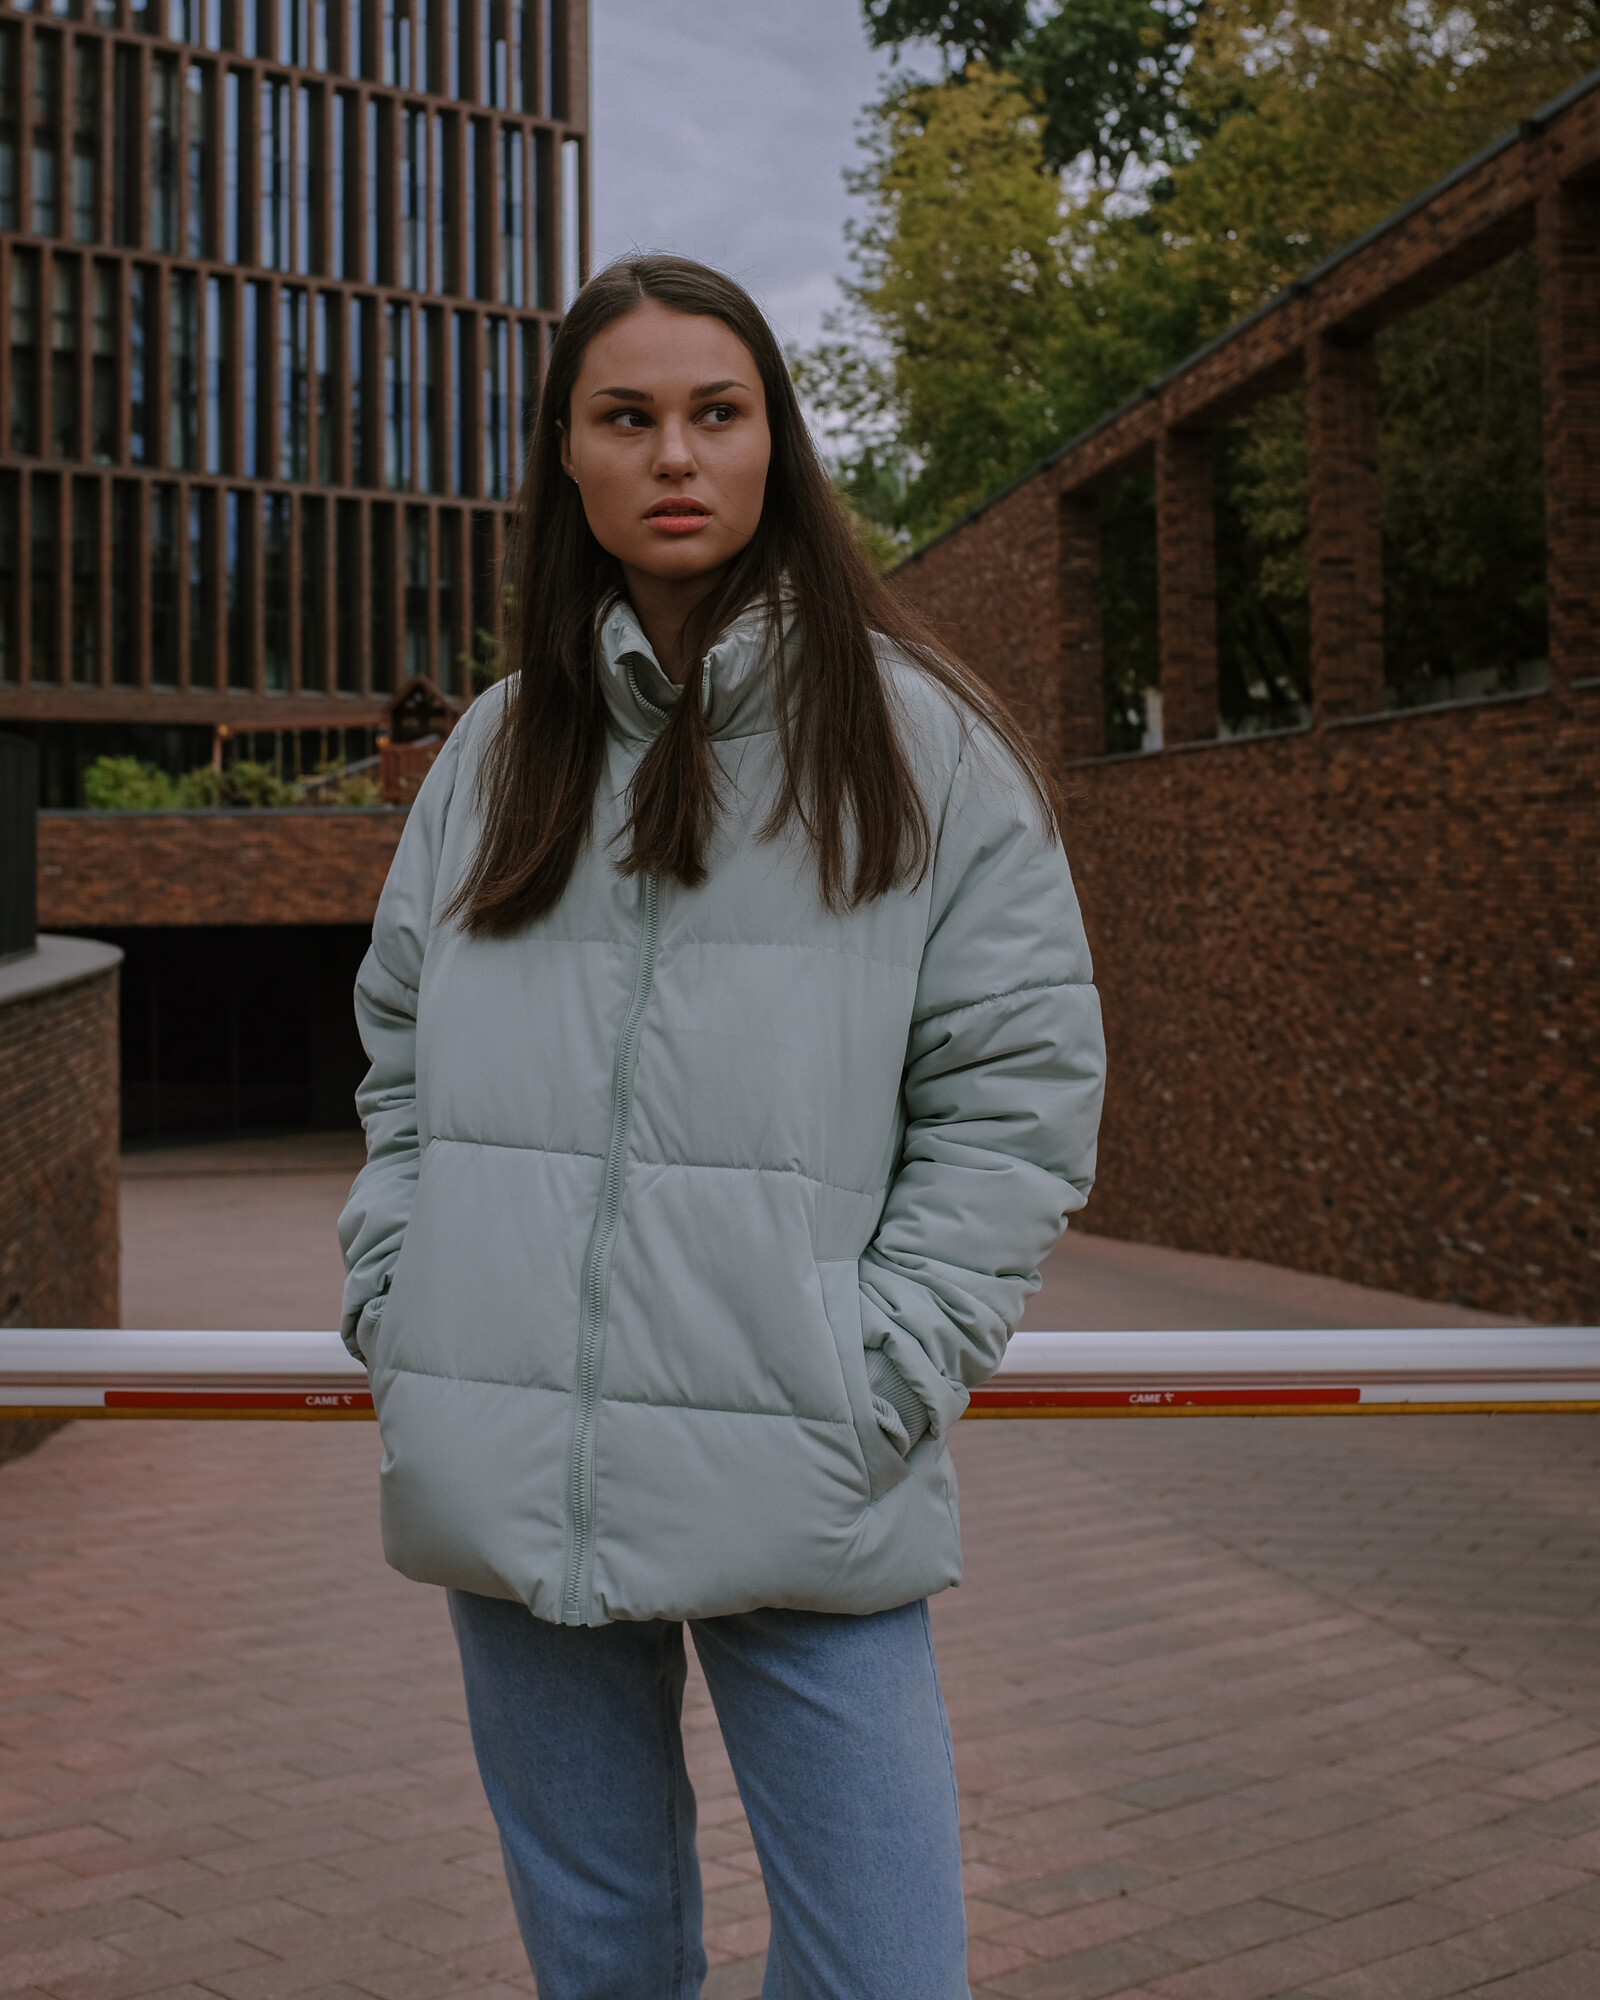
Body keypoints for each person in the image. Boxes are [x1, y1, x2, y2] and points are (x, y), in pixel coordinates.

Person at [338, 254, 1105, 2000]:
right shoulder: (494, 758)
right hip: (515, 1460)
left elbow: (1017, 1094)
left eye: (717, 412)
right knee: (603, 1969)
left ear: (775, 443)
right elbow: (394, 1059)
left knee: (887, 1973)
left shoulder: (920, 746)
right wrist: (404, 1297)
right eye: (627, 417)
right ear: (567, 455)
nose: (674, 455)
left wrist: (877, 1368)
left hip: (807, 1458)